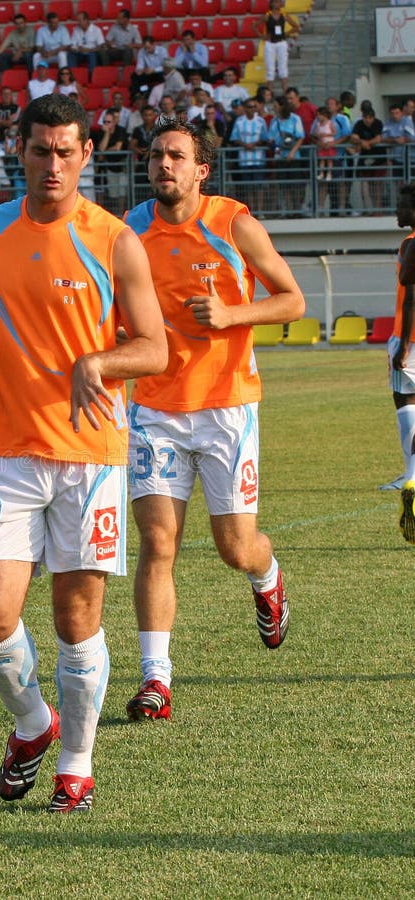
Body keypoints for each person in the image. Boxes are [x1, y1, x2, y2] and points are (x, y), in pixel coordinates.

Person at [0, 94, 167, 813]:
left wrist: (100, 362)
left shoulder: (113, 241)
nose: (54, 164)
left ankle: (77, 762)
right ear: (22, 152)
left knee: (76, 620)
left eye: (68, 150)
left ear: (87, 154)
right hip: (6, 452)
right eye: (42, 150)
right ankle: (34, 727)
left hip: (91, 456)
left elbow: (153, 346)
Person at [123, 116, 304, 721]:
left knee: (235, 547)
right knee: (158, 542)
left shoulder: (234, 224)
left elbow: (293, 300)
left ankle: (267, 577)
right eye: (155, 156)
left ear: (202, 169)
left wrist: (231, 315)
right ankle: (156, 680)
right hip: (154, 409)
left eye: (176, 156)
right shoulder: (130, 230)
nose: (163, 165)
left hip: (228, 408)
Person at [387, 186, 415, 537]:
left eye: (405, 204)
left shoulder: (411, 243)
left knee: (406, 402)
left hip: (409, 337)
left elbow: (410, 297)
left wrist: (403, 345)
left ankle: (410, 476)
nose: (398, 208)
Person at [256, 0, 300, 93]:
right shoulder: (267, 15)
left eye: (279, 2)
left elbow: (296, 26)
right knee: (270, 69)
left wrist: (286, 34)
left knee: (283, 68)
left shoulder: (284, 15)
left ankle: (285, 91)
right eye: (276, 2)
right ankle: (269, 92)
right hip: (270, 43)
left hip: (281, 43)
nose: (279, 4)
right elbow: (254, 25)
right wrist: (261, 35)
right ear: (272, 4)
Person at [69, 11, 106, 76]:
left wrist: (89, 50)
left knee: (92, 55)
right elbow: (73, 44)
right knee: (71, 54)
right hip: (80, 52)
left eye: (80, 20)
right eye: (78, 21)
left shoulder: (96, 29)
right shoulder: (76, 29)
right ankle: (73, 74)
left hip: (91, 52)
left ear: (86, 20)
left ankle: (91, 76)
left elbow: (101, 45)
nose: (78, 23)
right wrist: (75, 49)